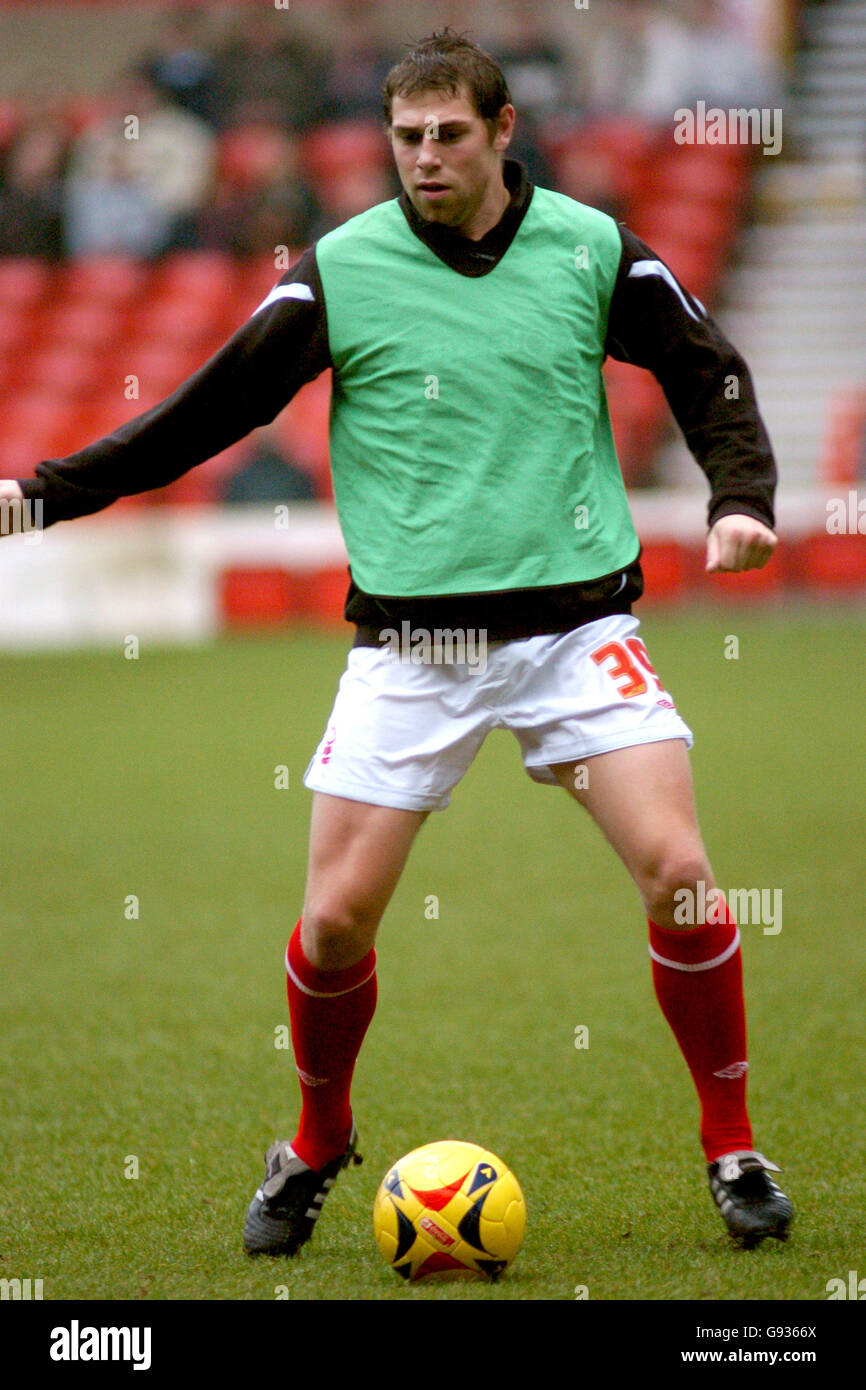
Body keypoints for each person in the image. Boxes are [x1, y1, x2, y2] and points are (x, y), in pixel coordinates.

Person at [0, 29, 793, 1259]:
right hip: (411, 649)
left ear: (500, 133)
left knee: (682, 876)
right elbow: (210, 408)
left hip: (576, 629)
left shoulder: (588, 249)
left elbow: (708, 374)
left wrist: (740, 494)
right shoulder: (340, 269)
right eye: (406, 137)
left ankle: (732, 1143)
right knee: (330, 928)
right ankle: (316, 1142)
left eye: (448, 136)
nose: (424, 158)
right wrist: (48, 492)